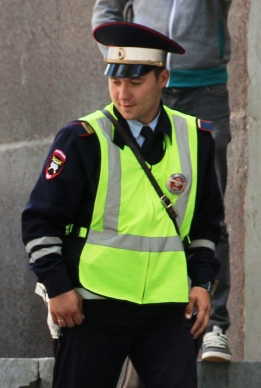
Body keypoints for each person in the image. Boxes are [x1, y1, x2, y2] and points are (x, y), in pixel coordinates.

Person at [18, 22, 222, 388]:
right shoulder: (81, 138)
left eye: (135, 77)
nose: (122, 90)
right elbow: (39, 220)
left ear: (163, 78)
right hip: (95, 309)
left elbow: (206, 225)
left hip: (164, 308)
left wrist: (202, 282)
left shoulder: (194, 138)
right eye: (114, 76)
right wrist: (57, 286)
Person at [93, 0, 234, 362]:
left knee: (207, 214)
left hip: (204, 88)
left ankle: (214, 323)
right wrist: (126, 64)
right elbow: (106, 9)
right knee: (134, 208)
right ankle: (131, 318)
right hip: (143, 79)